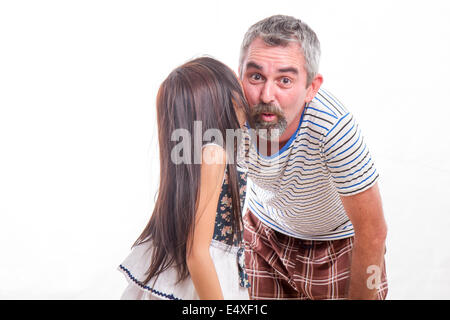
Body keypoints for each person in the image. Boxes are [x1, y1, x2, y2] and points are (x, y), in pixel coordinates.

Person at [238, 15, 388, 300]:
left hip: (335, 245)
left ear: (311, 88)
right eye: (256, 76)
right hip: (263, 233)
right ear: (239, 75)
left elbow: (373, 231)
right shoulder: (228, 114)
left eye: (285, 80)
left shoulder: (333, 128)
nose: (266, 95)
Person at [118, 57, 253, 300]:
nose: (245, 94)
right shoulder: (214, 154)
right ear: (221, 104)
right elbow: (197, 254)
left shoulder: (202, 152)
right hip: (201, 276)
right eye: (236, 86)